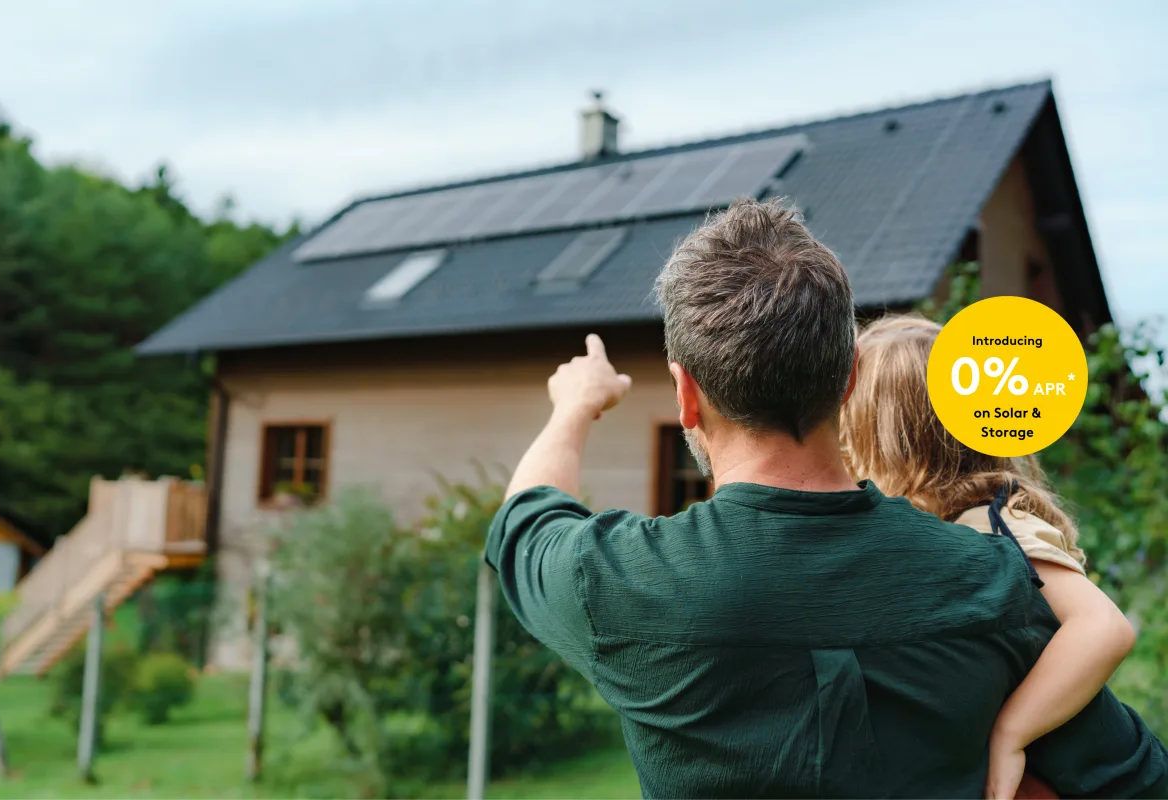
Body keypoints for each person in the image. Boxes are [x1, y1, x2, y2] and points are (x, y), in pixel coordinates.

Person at [485, 198, 1167, 798]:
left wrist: (575, 406)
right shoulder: (991, 579)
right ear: (847, 377)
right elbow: (1138, 780)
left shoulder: (615, 581)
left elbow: (526, 516)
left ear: (686, 394)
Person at [841, 314, 1137, 799]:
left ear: (890, 442)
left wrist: (1011, 735)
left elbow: (1104, 628)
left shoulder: (994, 524)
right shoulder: (949, 528)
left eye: (851, 433)